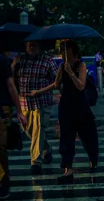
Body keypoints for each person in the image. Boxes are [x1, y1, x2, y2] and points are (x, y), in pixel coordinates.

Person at [31, 41, 99, 183]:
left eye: (64, 49)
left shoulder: (80, 65)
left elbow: (81, 86)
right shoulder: (62, 66)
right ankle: (67, 169)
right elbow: (56, 84)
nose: (62, 52)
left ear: (72, 51)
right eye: (61, 50)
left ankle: (93, 159)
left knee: (88, 136)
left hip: (81, 106)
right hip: (66, 106)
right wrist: (39, 92)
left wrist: (70, 73)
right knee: (66, 139)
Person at [12, 41, 58, 175]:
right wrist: (14, 64)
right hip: (24, 102)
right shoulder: (21, 59)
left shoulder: (47, 60)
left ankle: (35, 162)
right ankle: (47, 149)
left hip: (41, 101)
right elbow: (9, 77)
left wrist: (41, 91)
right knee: (29, 131)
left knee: (38, 130)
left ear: (40, 46)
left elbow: (57, 80)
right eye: (28, 45)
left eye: (34, 45)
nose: (31, 47)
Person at [0, 52, 27, 199]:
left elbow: (11, 86)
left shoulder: (2, 61)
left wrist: (19, 111)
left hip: (2, 109)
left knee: (0, 148)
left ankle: (4, 183)